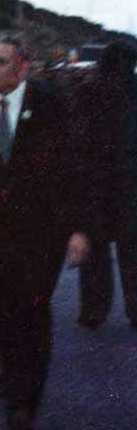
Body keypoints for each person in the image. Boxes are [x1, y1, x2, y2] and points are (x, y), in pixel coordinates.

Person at [0, 33, 90, 430]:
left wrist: (80, 229)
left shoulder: (51, 105)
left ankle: (24, 400)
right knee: (5, 307)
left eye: (0, 62)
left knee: (32, 309)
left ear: (22, 67)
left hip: (43, 231)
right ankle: (13, 377)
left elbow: (76, 167)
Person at [75, 41, 137, 328]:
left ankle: (94, 310)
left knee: (95, 252)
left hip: (95, 182)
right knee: (132, 250)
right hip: (129, 182)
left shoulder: (88, 90)